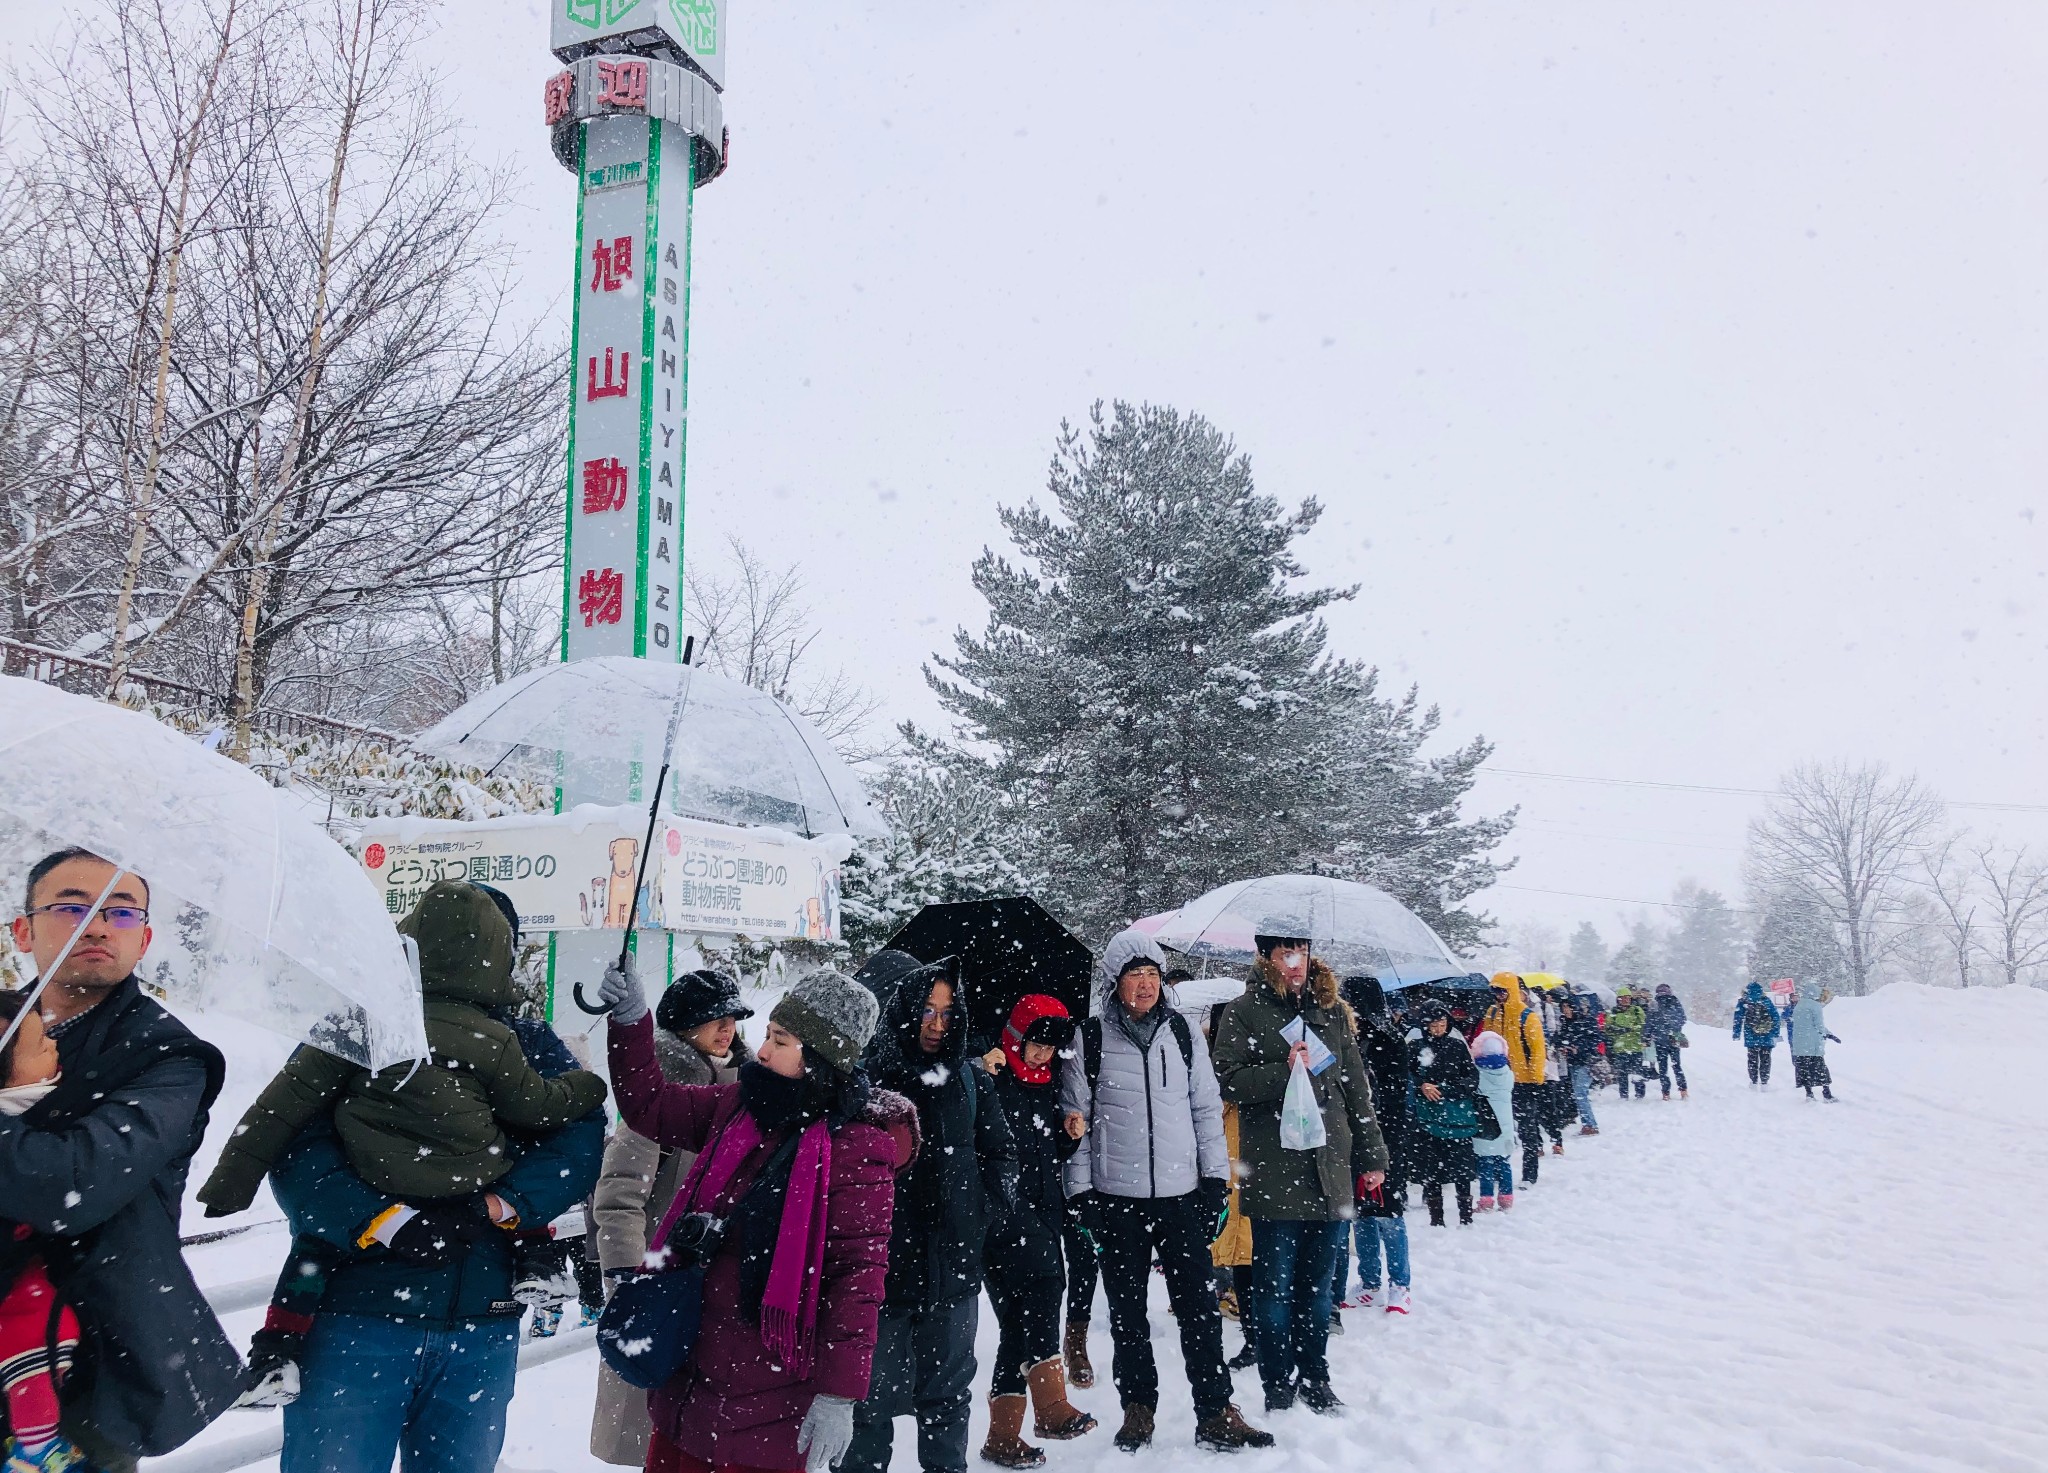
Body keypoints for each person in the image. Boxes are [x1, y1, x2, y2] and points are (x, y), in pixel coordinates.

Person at [198, 882, 610, 1398]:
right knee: (509, 1156)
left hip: (465, 1312)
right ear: (496, 960)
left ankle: (278, 1347)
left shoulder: (359, 1026)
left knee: (313, 1249)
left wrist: (231, 1182)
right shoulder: (502, 1042)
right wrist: (491, 1202)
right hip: (365, 1317)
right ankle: (538, 1258)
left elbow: (279, 1112)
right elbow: (551, 1111)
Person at [597, 960, 914, 1473]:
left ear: (820, 1057)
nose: (762, 1050)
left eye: (781, 1039)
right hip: (694, 1378)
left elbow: (857, 1280)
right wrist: (634, 1021)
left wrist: (839, 1395)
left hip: (775, 1399)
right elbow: (650, 1104)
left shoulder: (857, 1149)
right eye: (767, 1034)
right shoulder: (739, 1106)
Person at [2, 849, 240, 1472]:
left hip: (87, 1366)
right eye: (71, 907)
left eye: (121, 913)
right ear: (22, 930)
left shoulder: (167, 1057)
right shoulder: (4, 1025)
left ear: (145, 938)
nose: (98, 925)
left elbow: (70, 1186)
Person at [1061, 931, 1269, 1453]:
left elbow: (1205, 1108)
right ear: (1115, 982)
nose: (1147, 984)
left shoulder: (1182, 1033)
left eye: (1154, 974)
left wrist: (1216, 1180)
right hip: (1116, 1198)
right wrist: (1082, 1193)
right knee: (1128, 1312)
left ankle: (1216, 1409)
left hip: (1182, 1195)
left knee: (1198, 1309)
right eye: (1136, 974)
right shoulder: (1089, 1038)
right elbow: (1076, 1120)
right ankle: (1138, 1408)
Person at [843, 954, 1018, 1473]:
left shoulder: (970, 1079)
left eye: (947, 1012)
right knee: (865, 1407)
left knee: (947, 1402)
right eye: (926, 1010)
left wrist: (981, 1215)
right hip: (878, 1277)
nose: (937, 1024)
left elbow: (1001, 1154)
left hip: (953, 1274)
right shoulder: (864, 1083)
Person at [1212, 935, 1387, 1416]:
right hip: (1275, 1170)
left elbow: (1356, 1088)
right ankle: (1277, 1378)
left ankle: (1315, 1374)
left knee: (1319, 1289)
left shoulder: (1331, 1011)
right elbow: (1226, 1079)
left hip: (1329, 1169)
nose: (1295, 962)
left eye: (1302, 952)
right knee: (1273, 1289)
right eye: (1285, 953)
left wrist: (1372, 1155)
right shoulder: (1244, 1011)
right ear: (1267, 957)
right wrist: (1279, 1069)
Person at [588, 969, 755, 1467]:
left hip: (719, 1282)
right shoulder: (663, 1088)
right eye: (713, 1020)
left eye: (733, 1018)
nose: (726, 1029)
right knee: (651, 1423)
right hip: (662, 1279)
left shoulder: (748, 1088)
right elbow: (620, 1192)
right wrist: (626, 1274)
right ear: (684, 1026)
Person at [976, 995, 1095, 1469]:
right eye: (1036, 1043)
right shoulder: (989, 1074)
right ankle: (1050, 1407)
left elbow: (1044, 1157)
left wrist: (1067, 1136)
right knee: (1048, 1285)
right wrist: (974, 1067)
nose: (1044, 1054)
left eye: (1052, 1047)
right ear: (1016, 1035)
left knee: (1018, 1323)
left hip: (1042, 1210)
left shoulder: (1046, 1085)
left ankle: (1002, 1437)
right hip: (1001, 1214)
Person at [1332, 977, 1411, 1316]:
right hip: (1353, 1138)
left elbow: (1395, 1100)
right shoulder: (1346, 1038)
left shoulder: (1390, 1041)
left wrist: (1382, 1148)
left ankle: (1401, 1283)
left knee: (1389, 1214)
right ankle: (1369, 1280)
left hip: (1386, 1139)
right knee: (1361, 1216)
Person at [1201, 1005, 1257, 1370]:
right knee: (1239, 1260)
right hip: (1225, 1173)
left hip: (1257, 1172)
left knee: (1256, 1262)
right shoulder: (1208, 1068)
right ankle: (1252, 1336)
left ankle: (1260, 1337)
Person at [1407, 1001, 1481, 1227]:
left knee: (1462, 1167)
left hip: (1456, 1115)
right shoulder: (1415, 1047)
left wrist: (1448, 1089)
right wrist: (1422, 1085)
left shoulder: (1457, 1047)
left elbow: (1472, 1078)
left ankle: (1465, 1215)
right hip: (1427, 1116)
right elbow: (1407, 1074)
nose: (1438, 1029)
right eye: (1434, 1025)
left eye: (1442, 1024)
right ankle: (1436, 1217)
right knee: (1431, 1167)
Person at [1483, 974, 1551, 1185]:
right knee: (1497, 1126)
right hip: (1498, 1079)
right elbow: (1485, 1042)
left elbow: (1538, 1050)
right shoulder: (1492, 1013)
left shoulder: (1527, 1016)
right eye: (1495, 991)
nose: (1499, 995)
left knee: (1527, 1128)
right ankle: (1498, 1171)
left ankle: (1529, 1174)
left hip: (1524, 1081)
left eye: (1502, 990)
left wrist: (1535, 1079)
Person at [1469, 1031, 1519, 1211]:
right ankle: (1506, 1197)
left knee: (1485, 1163)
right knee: (1504, 1162)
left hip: (1487, 1124)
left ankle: (1487, 1199)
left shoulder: (1479, 1075)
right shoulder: (1508, 1073)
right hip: (1505, 1124)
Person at [1558, 995, 1603, 1137]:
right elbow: (1560, 1038)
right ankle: (1587, 1123)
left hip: (1587, 1062)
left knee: (1580, 1093)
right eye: (1563, 1007)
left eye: (1568, 1007)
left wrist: (1579, 1047)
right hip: (1573, 1062)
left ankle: (1591, 1124)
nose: (1565, 1010)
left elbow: (1596, 1039)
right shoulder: (1565, 1022)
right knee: (1578, 1094)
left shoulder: (1586, 1020)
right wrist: (1563, 1046)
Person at [1786, 980, 1838, 1102]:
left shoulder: (1798, 1005)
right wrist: (1829, 1035)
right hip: (1812, 1045)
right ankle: (1827, 1094)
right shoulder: (1815, 1006)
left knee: (1804, 1070)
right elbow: (1819, 1026)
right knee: (1820, 1069)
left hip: (1799, 1044)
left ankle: (1809, 1094)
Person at [1733, 982, 1783, 1089]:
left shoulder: (1744, 1001)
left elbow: (1738, 1018)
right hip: (1767, 1036)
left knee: (1752, 1059)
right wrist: (1775, 1034)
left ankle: (1754, 1081)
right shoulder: (1766, 1001)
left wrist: (1736, 1033)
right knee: (1766, 1059)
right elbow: (1775, 1018)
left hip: (1751, 1035)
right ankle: (1764, 1081)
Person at [1647, 984, 1690, 1101]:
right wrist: (1673, 1029)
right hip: (1673, 1039)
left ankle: (1666, 1093)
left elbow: (1649, 1022)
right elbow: (1682, 1019)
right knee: (1677, 1065)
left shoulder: (1654, 1004)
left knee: (1663, 1068)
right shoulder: (1675, 1002)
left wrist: (1646, 1036)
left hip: (1660, 1040)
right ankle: (1683, 1090)